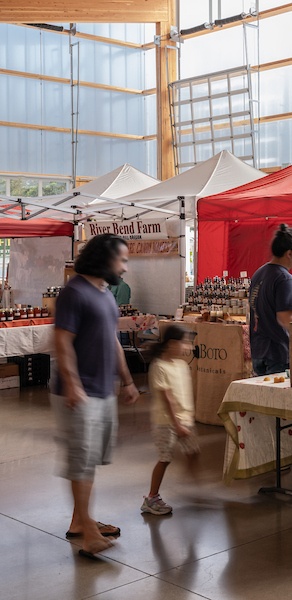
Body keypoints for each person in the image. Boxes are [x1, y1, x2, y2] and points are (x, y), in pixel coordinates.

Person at [52, 234, 139, 559]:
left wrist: (128, 380)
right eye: (122, 260)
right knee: (82, 462)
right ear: (104, 259)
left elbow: (112, 340)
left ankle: (80, 521)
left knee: (91, 460)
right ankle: (88, 534)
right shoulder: (73, 292)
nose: (125, 268)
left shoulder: (104, 293)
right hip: (79, 393)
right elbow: (62, 340)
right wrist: (73, 384)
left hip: (102, 390)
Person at [142, 324, 200, 515]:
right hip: (166, 422)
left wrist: (188, 418)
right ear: (172, 344)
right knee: (165, 459)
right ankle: (151, 498)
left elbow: (184, 393)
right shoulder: (159, 366)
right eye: (185, 343)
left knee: (193, 451)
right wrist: (177, 425)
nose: (188, 347)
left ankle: (194, 488)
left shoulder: (182, 365)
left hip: (184, 419)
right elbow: (168, 399)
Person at [249, 224, 292, 375]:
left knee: (262, 397)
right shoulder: (285, 279)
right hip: (277, 352)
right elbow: (285, 318)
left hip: (258, 350)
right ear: (289, 254)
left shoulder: (259, 273)